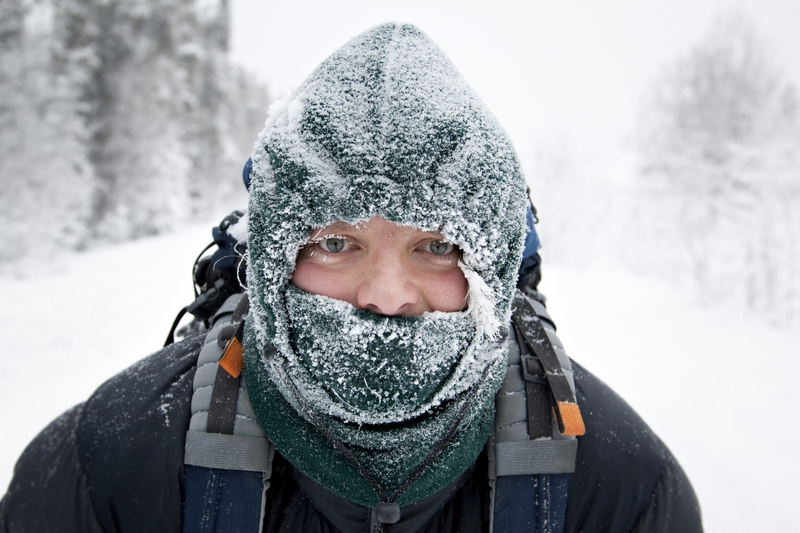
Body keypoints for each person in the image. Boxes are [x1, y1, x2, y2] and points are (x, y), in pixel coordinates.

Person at [0, 23, 702, 532]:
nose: (385, 294)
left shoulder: (624, 493)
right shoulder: (109, 467)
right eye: (337, 241)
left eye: (436, 246)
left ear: (491, 267)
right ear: (273, 254)